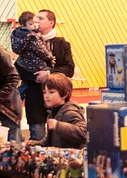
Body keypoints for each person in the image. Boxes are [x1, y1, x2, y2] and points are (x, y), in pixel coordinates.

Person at [22, 9, 74, 143]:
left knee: (59, 138)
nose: (36, 21)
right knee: (37, 138)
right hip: (35, 97)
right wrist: (35, 77)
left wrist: (49, 73)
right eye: (35, 18)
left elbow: (69, 69)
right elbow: (21, 68)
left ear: (51, 23)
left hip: (58, 99)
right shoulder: (28, 41)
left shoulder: (62, 44)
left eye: (40, 18)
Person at [28, 72, 86, 148]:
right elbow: (51, 140)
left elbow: (85, 134)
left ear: (64, 94)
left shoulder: (69, 113)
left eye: (51, 92)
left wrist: (58, 126)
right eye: (44, 92)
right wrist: (36, 144)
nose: (46, 96)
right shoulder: (53, 112)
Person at [11, 11, 53, 94]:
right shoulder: (32, 36)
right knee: (48, 77)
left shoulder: (16, 34)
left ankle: (16, 96)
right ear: (23, 25)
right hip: (34, 65)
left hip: (22, 65)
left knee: (24, 85)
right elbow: (40, 50)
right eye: (31, 24)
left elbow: (16, 49)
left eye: (35, 22)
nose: (34, 25)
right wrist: (50, 57)